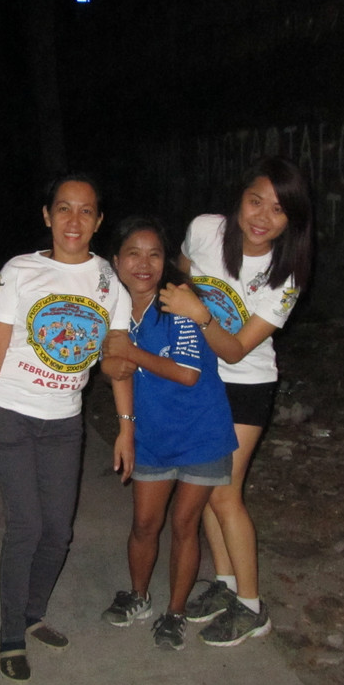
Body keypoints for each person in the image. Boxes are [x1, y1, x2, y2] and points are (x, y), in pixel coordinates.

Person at [0, 174, 134, 683]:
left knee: (59, 531)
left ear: (98, 221)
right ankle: (10, 635)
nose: (73, 220)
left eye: (86, 210)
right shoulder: (20, 270)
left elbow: (117, 358)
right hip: (10, 412)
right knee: (27, 527)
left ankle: (32, 614)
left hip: (65, 421)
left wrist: (125, 426)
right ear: (47, 215)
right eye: (63, 208)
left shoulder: (109, 281)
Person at [158, 156, 313, 647]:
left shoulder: (286, 276)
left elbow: (237, 348)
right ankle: (225, 585)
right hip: (200, 378)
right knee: (201, 484)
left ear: (292, 220)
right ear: (239, 199)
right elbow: (180, 274)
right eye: (255, 201)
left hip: (246, 383)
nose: (263, 217)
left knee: (225, 492)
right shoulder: (205, 230)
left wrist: (199, 314)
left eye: (279, 209)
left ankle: (251, 606)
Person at [98, 216, 238, 649]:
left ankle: (175, 613)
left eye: (154, 254)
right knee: (144, 522)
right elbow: (116, 368)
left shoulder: (177, 303)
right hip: (153, 435)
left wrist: (130, 352)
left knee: (184, 524)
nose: (144, 264)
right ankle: (138, 596)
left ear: (166, 261)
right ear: (116, 261)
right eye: (133, 254)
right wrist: (113, 368)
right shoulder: (113, 310)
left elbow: (187, 373)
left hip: (201, 433)